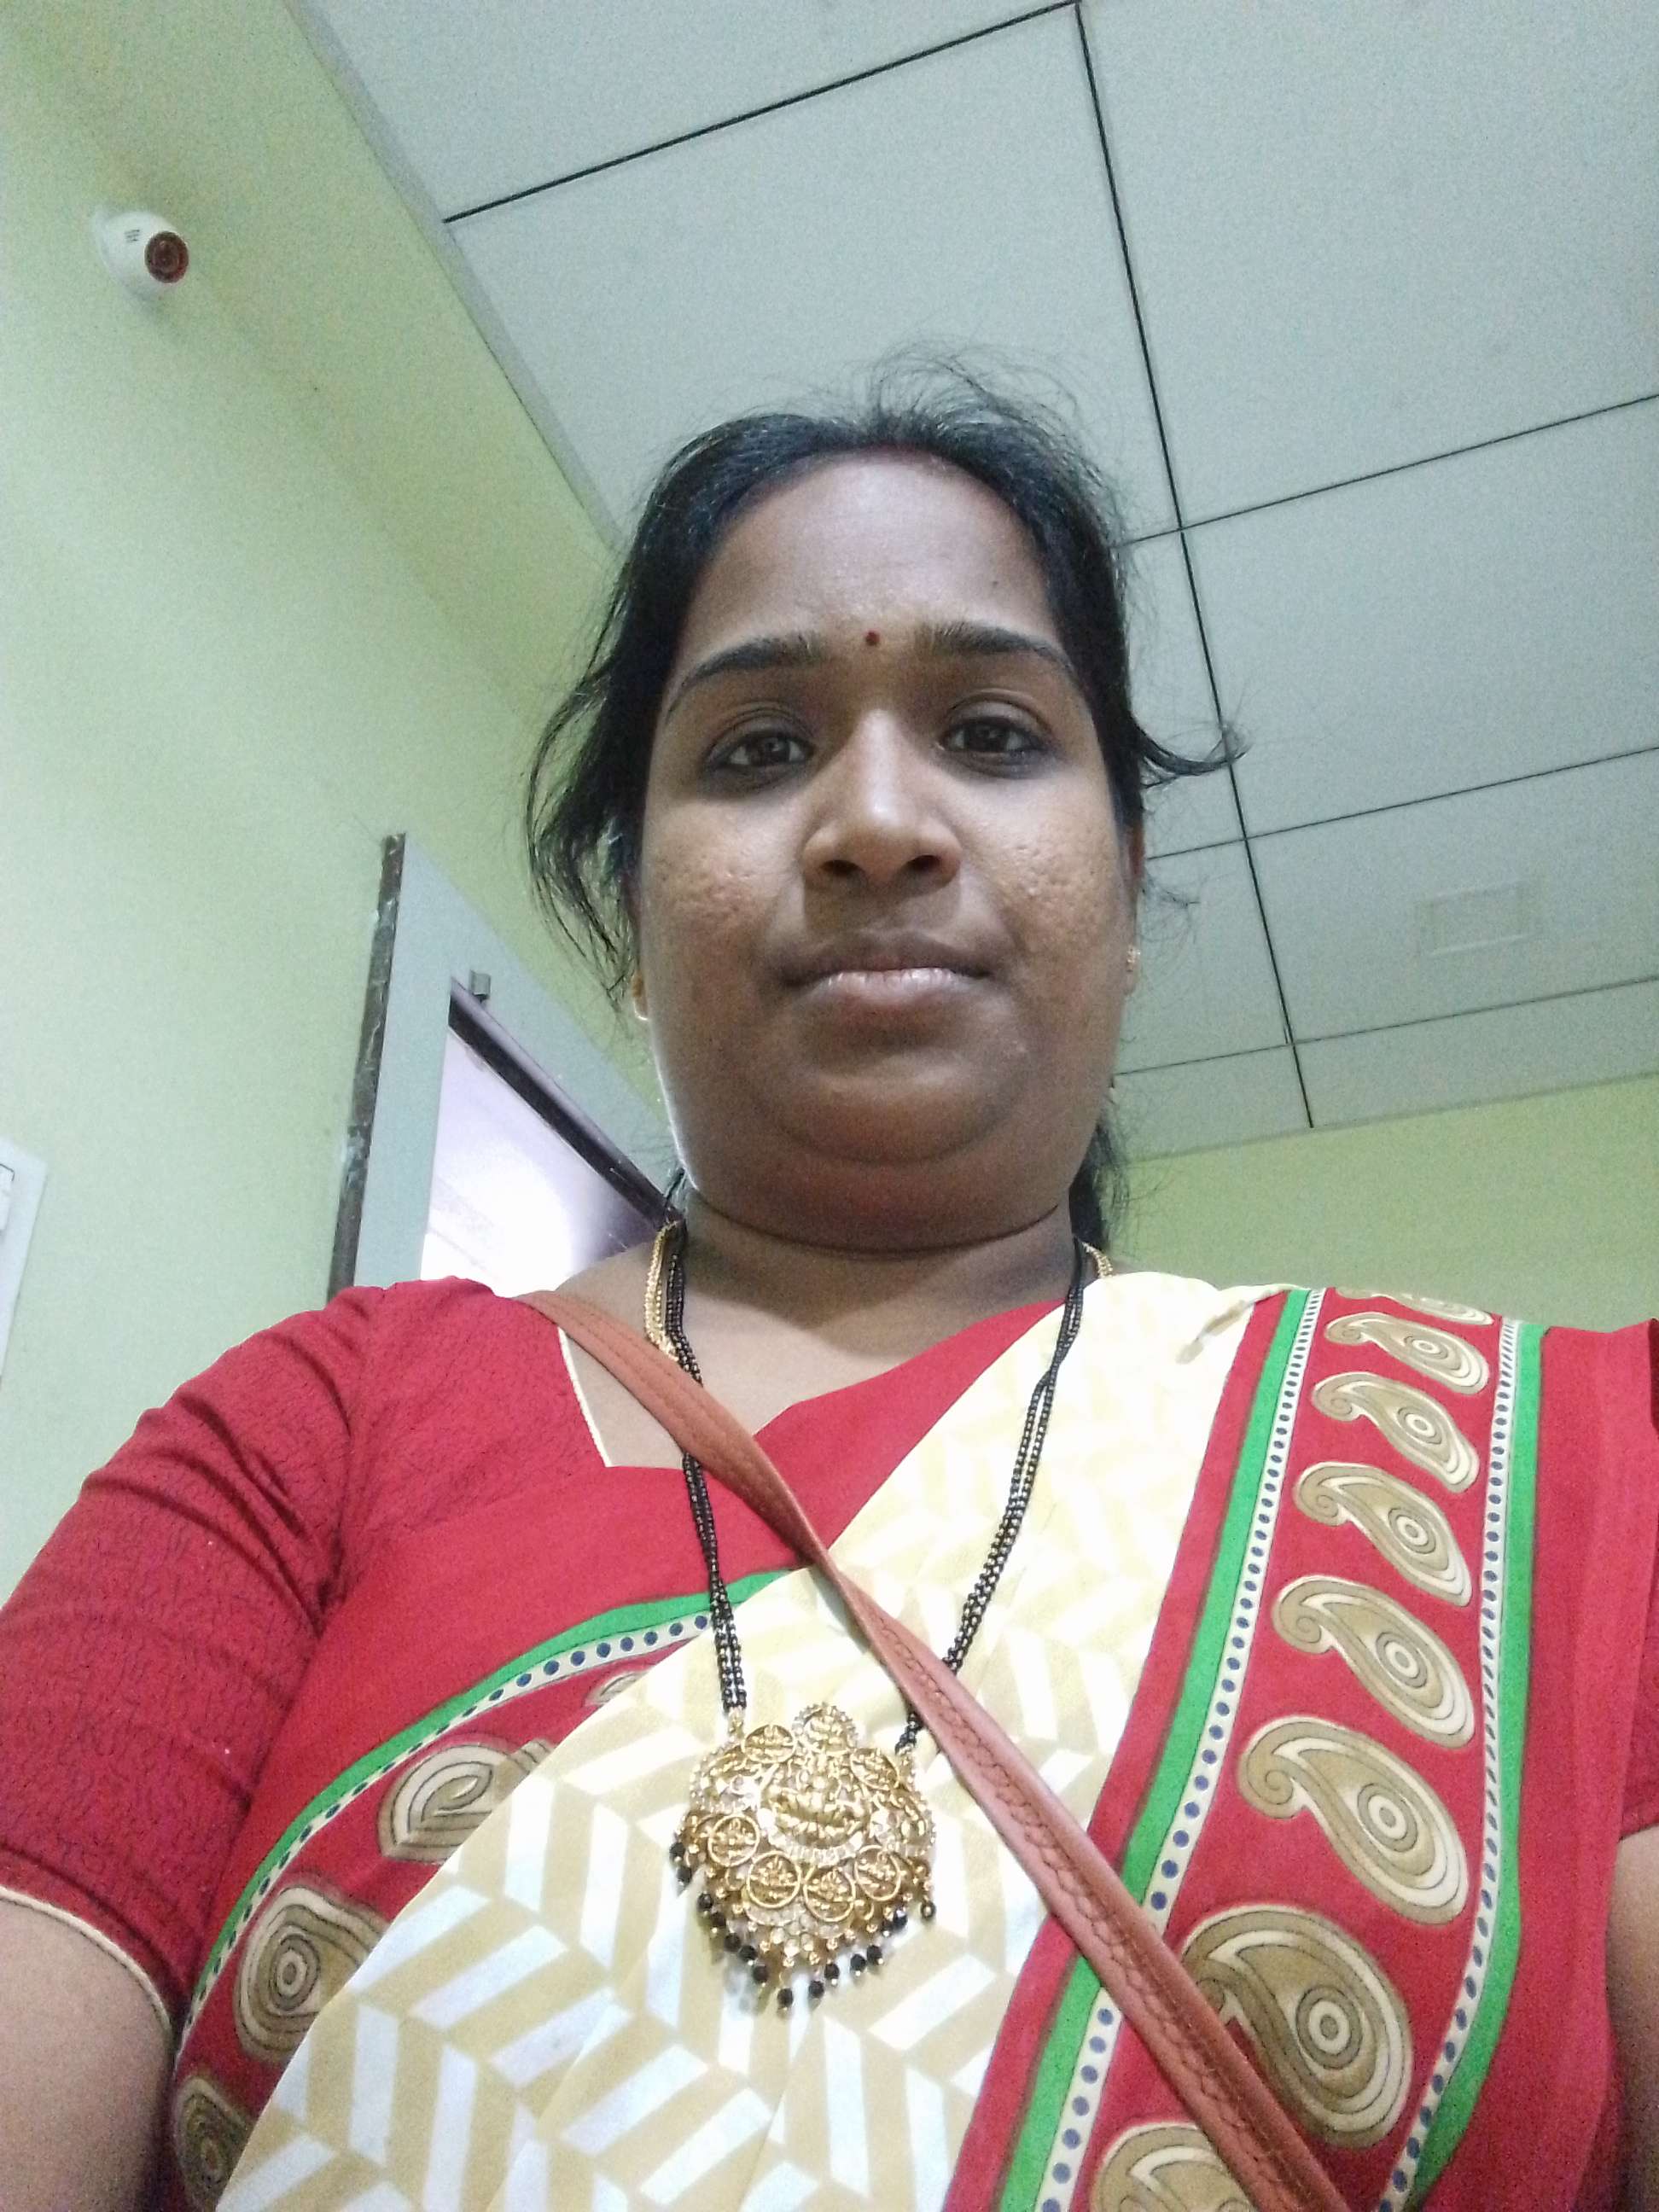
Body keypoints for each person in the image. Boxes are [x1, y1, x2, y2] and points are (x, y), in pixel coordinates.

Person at [2, 371, 1655, 2212]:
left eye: (995, 735)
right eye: (758, 750)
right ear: (635, 921)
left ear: (1125, 887)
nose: (878, 822)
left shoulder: (1559, 1481)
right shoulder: (308, 1431)